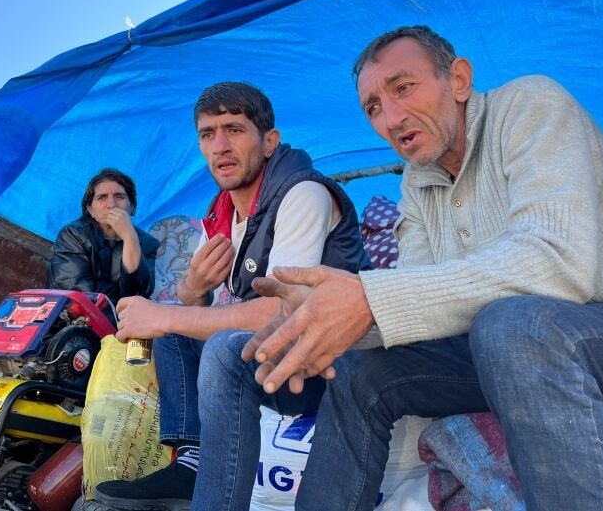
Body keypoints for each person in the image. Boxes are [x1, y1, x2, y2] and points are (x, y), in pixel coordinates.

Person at [202, 25, 603, 511]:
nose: (391, 117)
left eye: (403, 87)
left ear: (460, 81)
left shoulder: (532, 106)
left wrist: (367, 298)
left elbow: (554, 266)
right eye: (374, 108)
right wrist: (324, 325)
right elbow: (419, 309)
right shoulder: (418, 181)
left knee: (512, 324)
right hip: (510, 349)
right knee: (358, 369)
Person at [93, 81, 370, 510]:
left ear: (269, 141)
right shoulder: (222, 215)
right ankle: (191, 461)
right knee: (177, 326)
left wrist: (166, 315)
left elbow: (285, 312)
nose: (220, 145)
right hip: (276, 356)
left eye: (235, 129)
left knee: (210, 341)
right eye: (208, 134)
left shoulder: (302, 194)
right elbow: (198, 310)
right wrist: (192, 290)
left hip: (326, 361)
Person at [48, 168, 159, 307]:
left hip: (127, 321)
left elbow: (141, 292)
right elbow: (77, 290)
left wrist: (130, 238)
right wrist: (121, 298)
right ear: (90, 209)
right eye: (102, 197)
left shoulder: (148, 243)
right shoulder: (73, 234)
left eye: (119, 196)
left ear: (131, 206)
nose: (111, 205)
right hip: (78, 320)